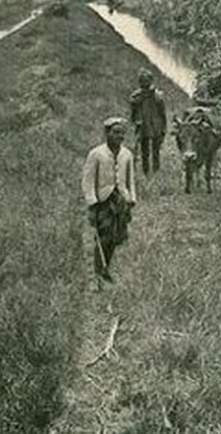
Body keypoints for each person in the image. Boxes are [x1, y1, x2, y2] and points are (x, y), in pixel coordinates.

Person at [82, 117, 137, 283]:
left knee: (116, 237)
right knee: (103, 236)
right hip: (103, 201)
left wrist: (131, 198)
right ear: (107, 133)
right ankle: (98, 271)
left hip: (120, 200)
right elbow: (88, 180)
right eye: (115, 133)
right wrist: (92, 202)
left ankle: (106, 267)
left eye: (122, 133)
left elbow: (130, 179)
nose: (119, 136)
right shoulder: (96, 154)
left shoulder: (127, 154)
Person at [129, 69, 167, 175]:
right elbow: (133, 112)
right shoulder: (136, 97)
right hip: (143, 126)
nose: (144, 83)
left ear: (151, 81)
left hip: (155, 126)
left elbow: (162, 113)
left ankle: (156, 171)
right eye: (142, 81)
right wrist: (136, 122)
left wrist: (164, 128)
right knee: (144, 151)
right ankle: (146, 171)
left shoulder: (158, 96)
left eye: (147, 81)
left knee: (156, 150)